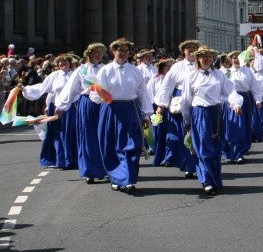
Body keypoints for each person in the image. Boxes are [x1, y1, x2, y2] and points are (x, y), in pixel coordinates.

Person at [181, 46, 243, 195]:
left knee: (216, 148)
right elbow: (186, 100)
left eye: (210, 56)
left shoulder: (219, 75)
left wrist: (235, 104)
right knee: (203, 148)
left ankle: (216, 179)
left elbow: (230, 90)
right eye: (204, 56)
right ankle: (207, 180)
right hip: (200, 113)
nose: (207, 59)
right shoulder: (191, 76)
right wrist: (187, 120)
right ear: (198, 59)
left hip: (216, 112)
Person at [93, 38, 152, 194]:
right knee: (111, 145)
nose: (123, 53)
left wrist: (146, 115)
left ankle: (129, 179)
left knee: (132, 145)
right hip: (111, 109)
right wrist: (101, 95)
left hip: (130, 109)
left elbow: (143, 93)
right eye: (120, 50)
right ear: (113, 51)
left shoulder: (135, 71)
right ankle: (116, 178)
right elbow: (96, 94)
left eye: (126, 51)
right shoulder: (105, 71)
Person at [57, 43, 108, 183]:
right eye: (96, 52)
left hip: (104, 103)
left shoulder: (106, 68)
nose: (98, 55)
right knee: (87, 137)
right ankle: (89, 171)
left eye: (100, 52)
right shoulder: (82, 70)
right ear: (89, 54)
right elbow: (71, 89)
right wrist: (61, 106)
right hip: (87, 103)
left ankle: (105, 168)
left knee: (104, 136)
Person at [21, 53, 77, 169]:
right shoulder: (54, 75)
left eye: (65, 61)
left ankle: (71, 159)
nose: (63, 63)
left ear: (70, 63)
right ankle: (59, 159)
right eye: (60, 61)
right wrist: (26, 89)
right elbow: (43, 88)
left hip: (70, 108)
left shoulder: (75, 75)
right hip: (55, 107)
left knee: (69, 132)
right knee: (55, 132)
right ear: (57, 64)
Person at [154, 40, 201, 178]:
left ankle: (200, 163)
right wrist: (161, 105)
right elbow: (167, 86)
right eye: (188, 48)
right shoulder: (177, 67)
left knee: (198, 132)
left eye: (194, 47)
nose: (191, 50)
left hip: (198, 99)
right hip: (181, 100)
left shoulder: (202, 64)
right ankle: (188, 164)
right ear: (183, 51)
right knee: (183, 133)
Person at [223, 49, 262, 164]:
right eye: (233, 57)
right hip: (231, 101)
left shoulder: (247, 71)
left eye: (237, 57)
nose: (236, 59)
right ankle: (235, 152)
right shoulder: (226, 73)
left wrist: (258, 100)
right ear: (230, 60)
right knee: (234, 127)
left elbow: (254, 87)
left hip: (246, 100)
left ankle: (240, 149)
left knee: (245, 126)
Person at [146, 58, 175, 166]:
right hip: (157, 109)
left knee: (171, 134)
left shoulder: (174, 79)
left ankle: (169, 157)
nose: (169, 68)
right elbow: (149, 94)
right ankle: (160, 156)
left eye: (170, 66)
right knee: (158, 133)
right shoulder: (155, 78)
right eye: (166, 65)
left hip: (171, 108)